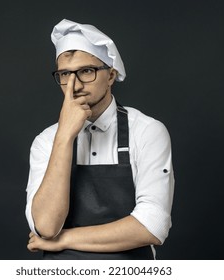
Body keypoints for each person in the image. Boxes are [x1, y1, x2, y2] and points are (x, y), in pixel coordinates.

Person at [25, 19, 174, 260]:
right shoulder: (46, 140)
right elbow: (46, 227)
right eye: (65, 74)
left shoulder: (147, 131)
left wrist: (65, 239)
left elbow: (152, 226)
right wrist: (64, 136)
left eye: (86, 71)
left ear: (111, 75)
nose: (74, 85)